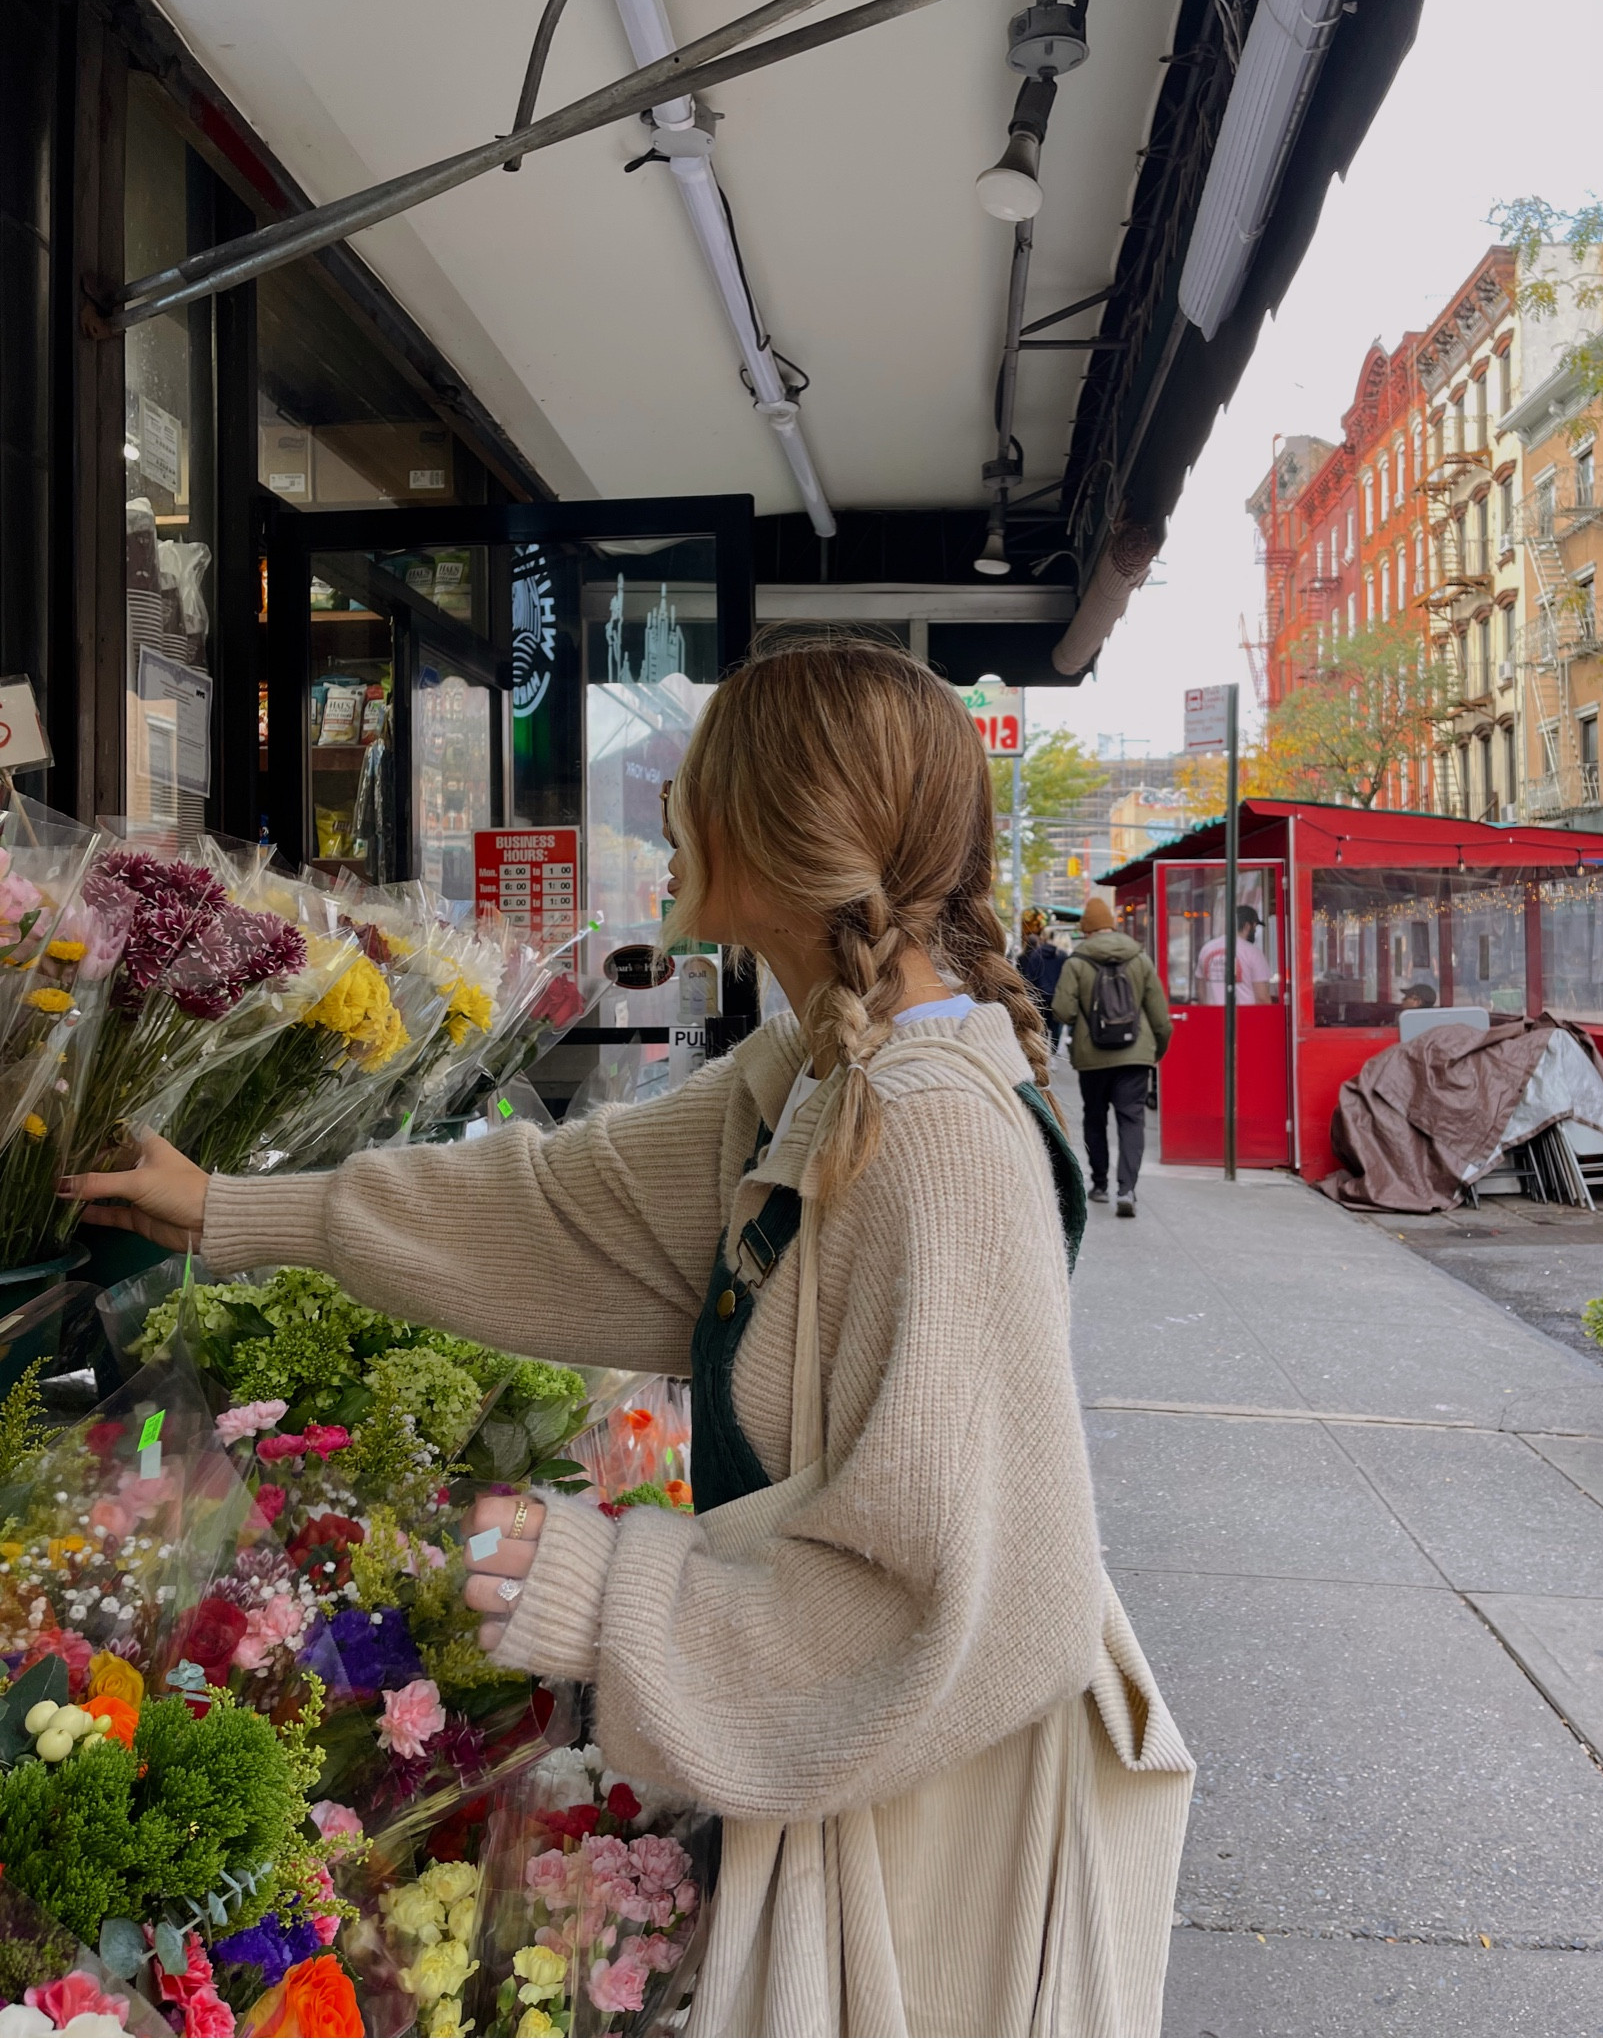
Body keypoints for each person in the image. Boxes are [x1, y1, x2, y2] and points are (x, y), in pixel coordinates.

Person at [67, 640, 1191, 2038]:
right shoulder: (824, 1078)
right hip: (857, 1777)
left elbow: (965, 1599)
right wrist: (232, 1208)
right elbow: (546, 1206)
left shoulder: (938, 1137)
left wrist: (613, 1590)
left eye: (698, 780)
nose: (665, 808)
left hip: (923, 1829)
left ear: (791, 829)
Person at [1053, 896, 1171, 1217]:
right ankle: (1128, 1189)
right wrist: (1154, 1051)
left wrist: (1085, 1022)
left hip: (1092, 1057)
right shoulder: (1140, 958)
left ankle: (1100, 1184)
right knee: (1131, 1119)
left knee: (1094, 1117)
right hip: (1136, 1056)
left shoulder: (1076, 962)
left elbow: (1061, 1010)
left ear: (1086, 929)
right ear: (1113, 925)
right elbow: (1160, 1016)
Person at [1195, 904, 1273, 1005]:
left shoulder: (1207, 948)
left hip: (1212, 1017)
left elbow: (1201, 990)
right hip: (1246, 1017)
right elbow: (1262, 997)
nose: (1255, 931)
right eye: (1255, 927)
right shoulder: (1253, 953)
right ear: (1247, 926)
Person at [1018, 910, 1068, 1052]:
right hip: (1057, 997)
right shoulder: (1062, 955)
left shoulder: (1035, 955)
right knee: (1056, 1026)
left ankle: (1044, 1050)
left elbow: (1030, 977)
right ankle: (1054, 1052)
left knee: (1042, 1025)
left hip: (1040, 997)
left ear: (1043, 938)